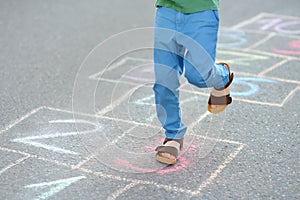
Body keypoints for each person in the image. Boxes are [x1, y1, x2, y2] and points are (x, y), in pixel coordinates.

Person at [153, 0, 234, 165]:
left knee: (199, 75)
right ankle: (173, 136)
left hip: (202, 11)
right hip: (167, 10)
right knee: (164, 79)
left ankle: (222, 76)